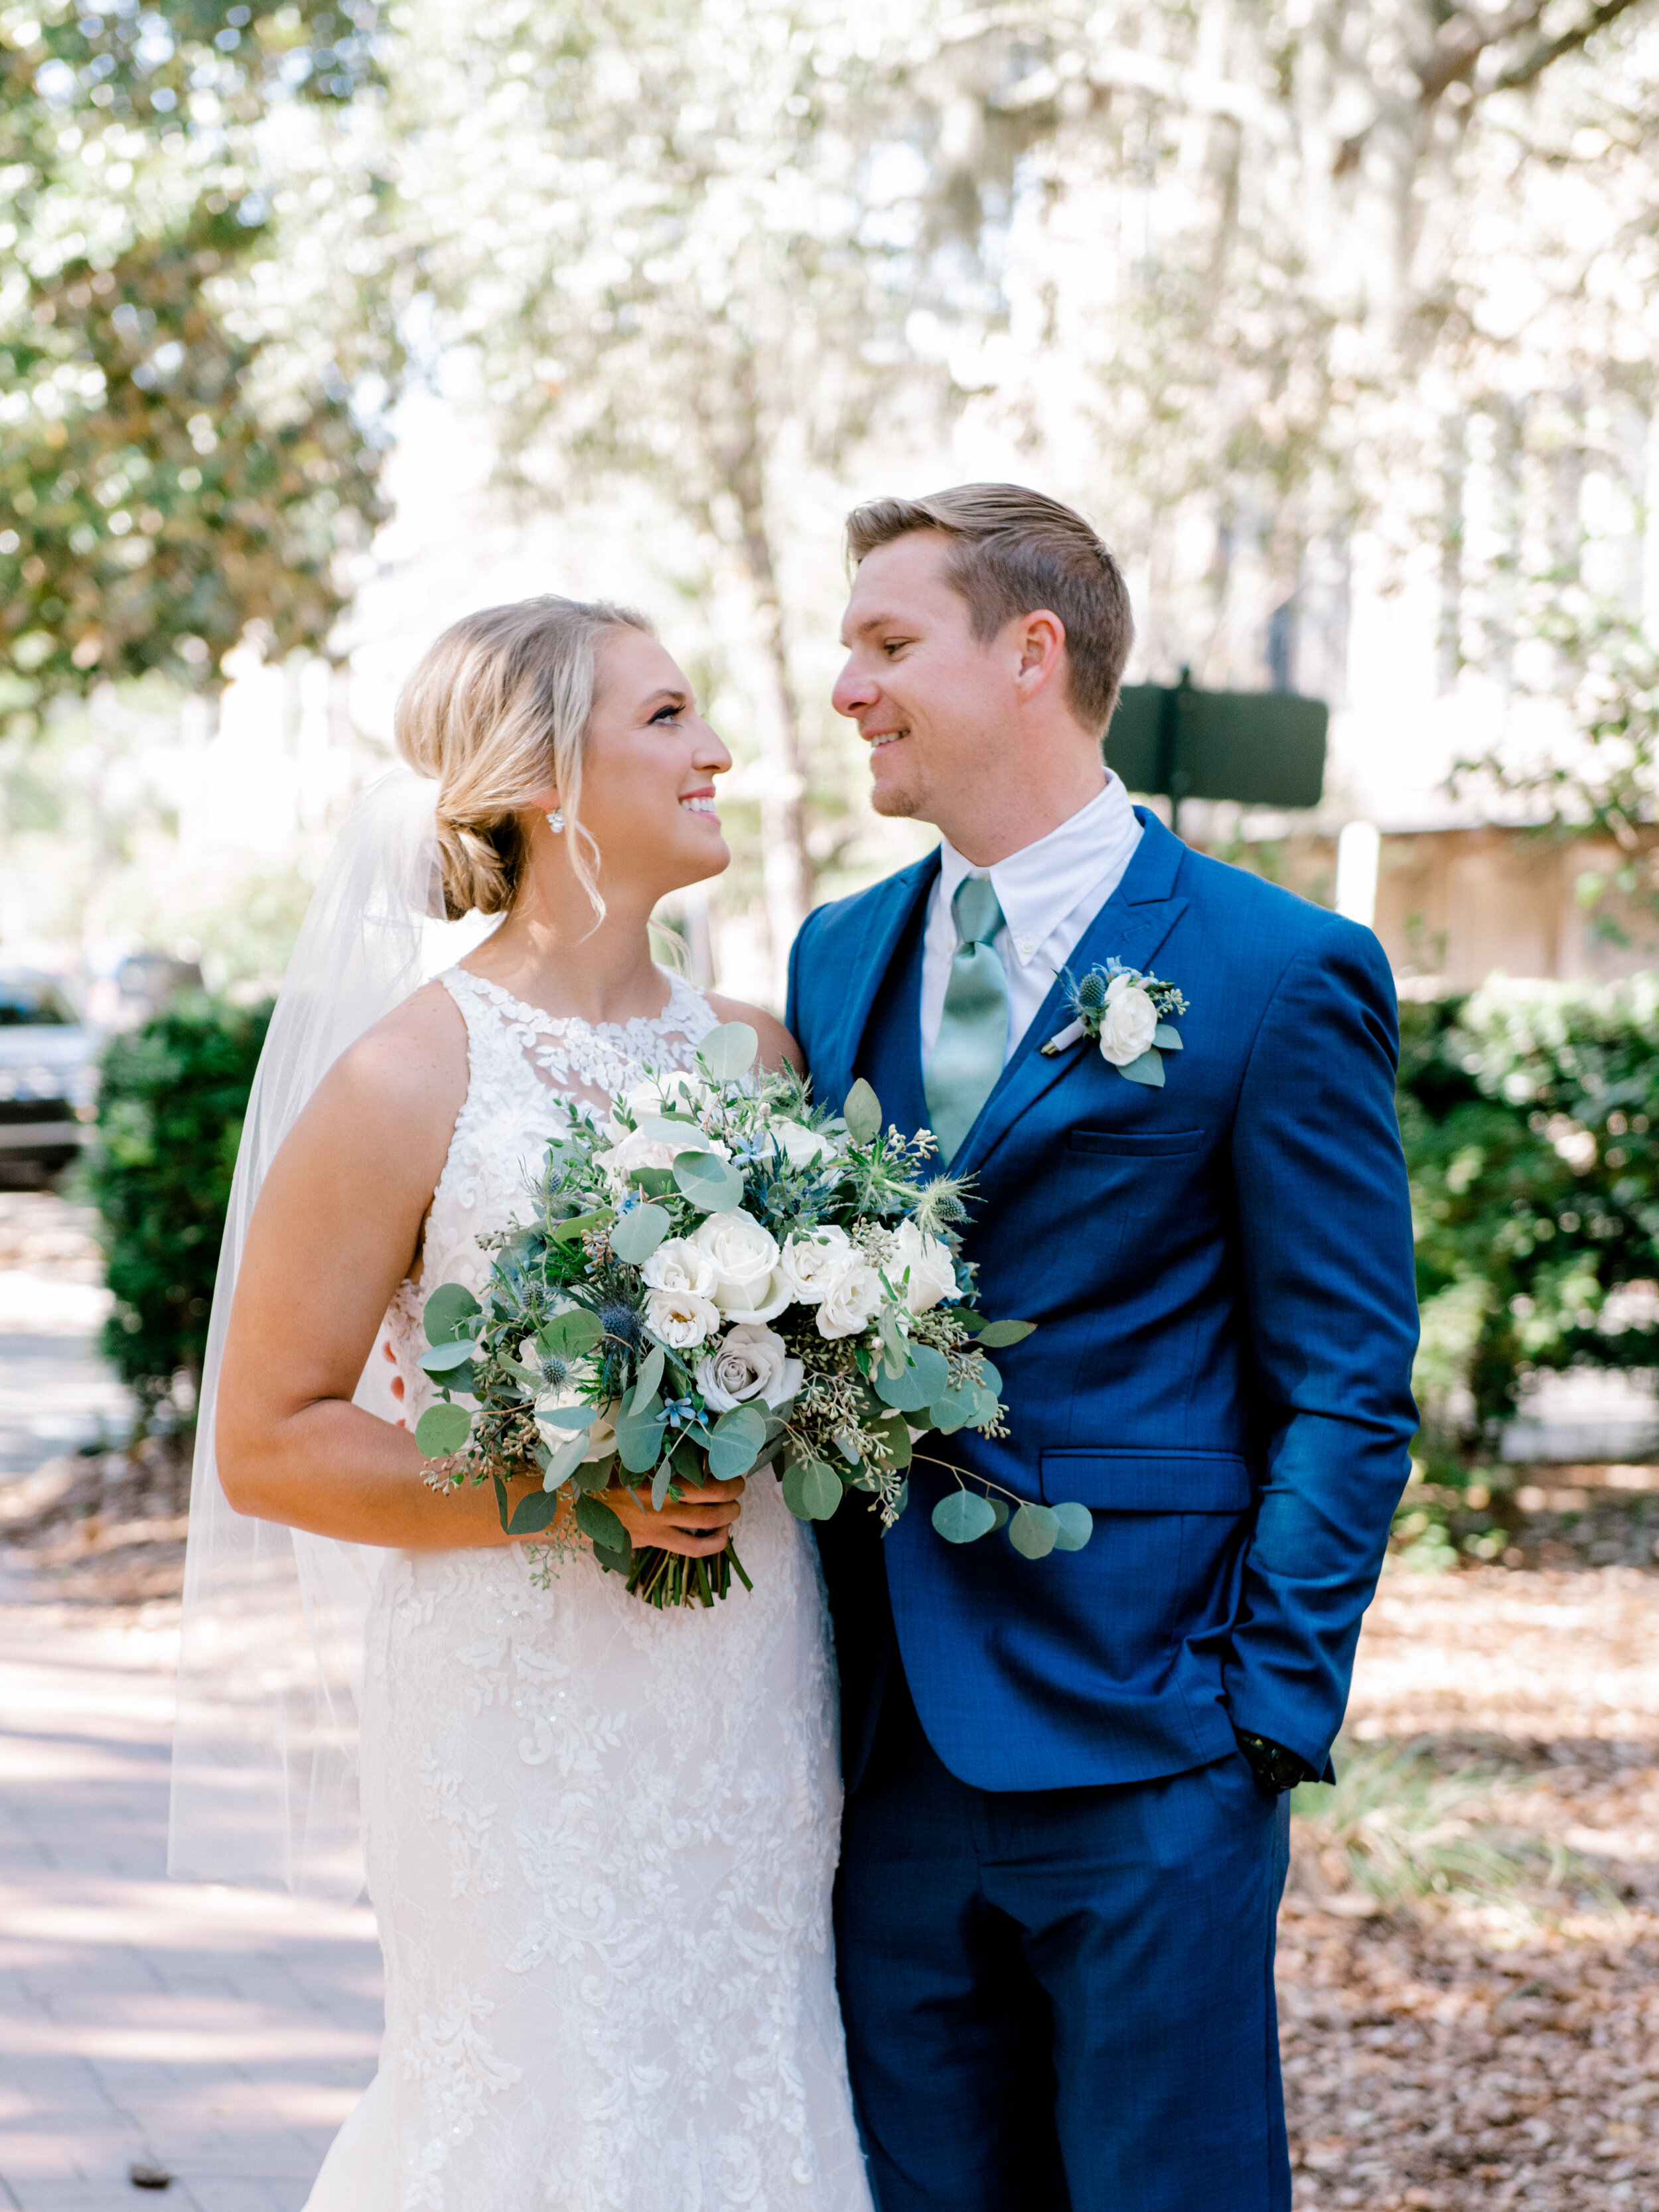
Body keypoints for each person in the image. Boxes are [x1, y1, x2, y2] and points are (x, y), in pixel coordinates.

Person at [786, 484, 1420, 2212]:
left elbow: (1348, 1376)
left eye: (887, 642)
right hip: (884, 1750)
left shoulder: (1274, 965)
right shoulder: (837, 953)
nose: (843, 683)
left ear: (1031, 652)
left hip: (1151, 1742)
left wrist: (1258, 1716)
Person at [204, 598, 874, 2209]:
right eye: (665, 717)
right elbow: (268, 1438)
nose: (715, 746)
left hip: (742, 1676)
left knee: (744, 2064)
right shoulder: (409, 1073)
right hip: (512, 1703)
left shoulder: (757, 1061)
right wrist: (573, 1493)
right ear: (541, 779)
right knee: (532, 2085)